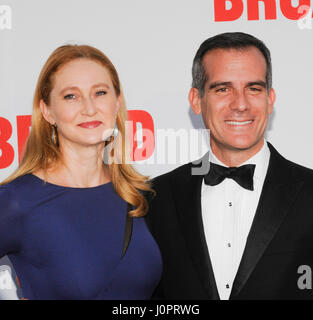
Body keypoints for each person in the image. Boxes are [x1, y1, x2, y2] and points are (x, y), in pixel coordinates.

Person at [146, 32, 313, 300]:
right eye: (223, 89)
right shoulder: (155, 198)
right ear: (196, 100)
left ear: (270, 99)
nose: (240, 104)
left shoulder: (309, 192)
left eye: (254, 88)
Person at [0, 44, 162, 300]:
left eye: (100, 92)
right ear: (47, 111)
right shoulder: (17, 200)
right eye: (71, 96)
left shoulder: (140, 197)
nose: (89, 108)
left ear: (117, 102)